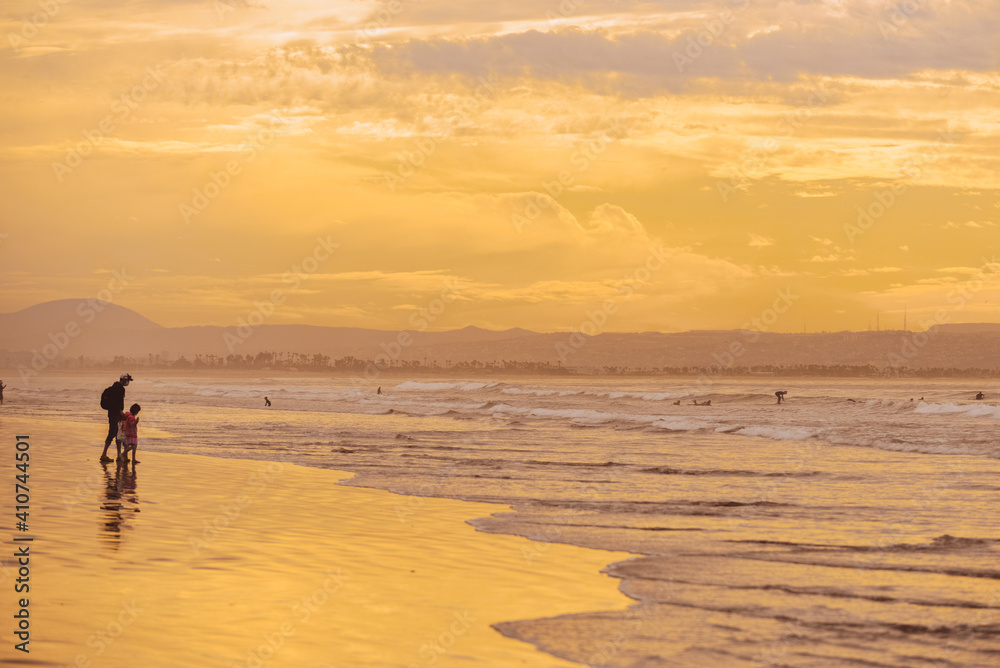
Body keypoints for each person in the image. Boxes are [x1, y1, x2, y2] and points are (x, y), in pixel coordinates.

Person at [100, 373, 132, 462]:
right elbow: (114, 402)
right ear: (123, 379)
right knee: (113, 433)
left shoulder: (117, 387)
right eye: (127, 380)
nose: (128, 382)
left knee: (118, 434)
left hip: (115, 414)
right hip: (115, 414)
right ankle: (104, 454)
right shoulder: (118, 389)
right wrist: (120, 411)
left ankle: (119, 455)